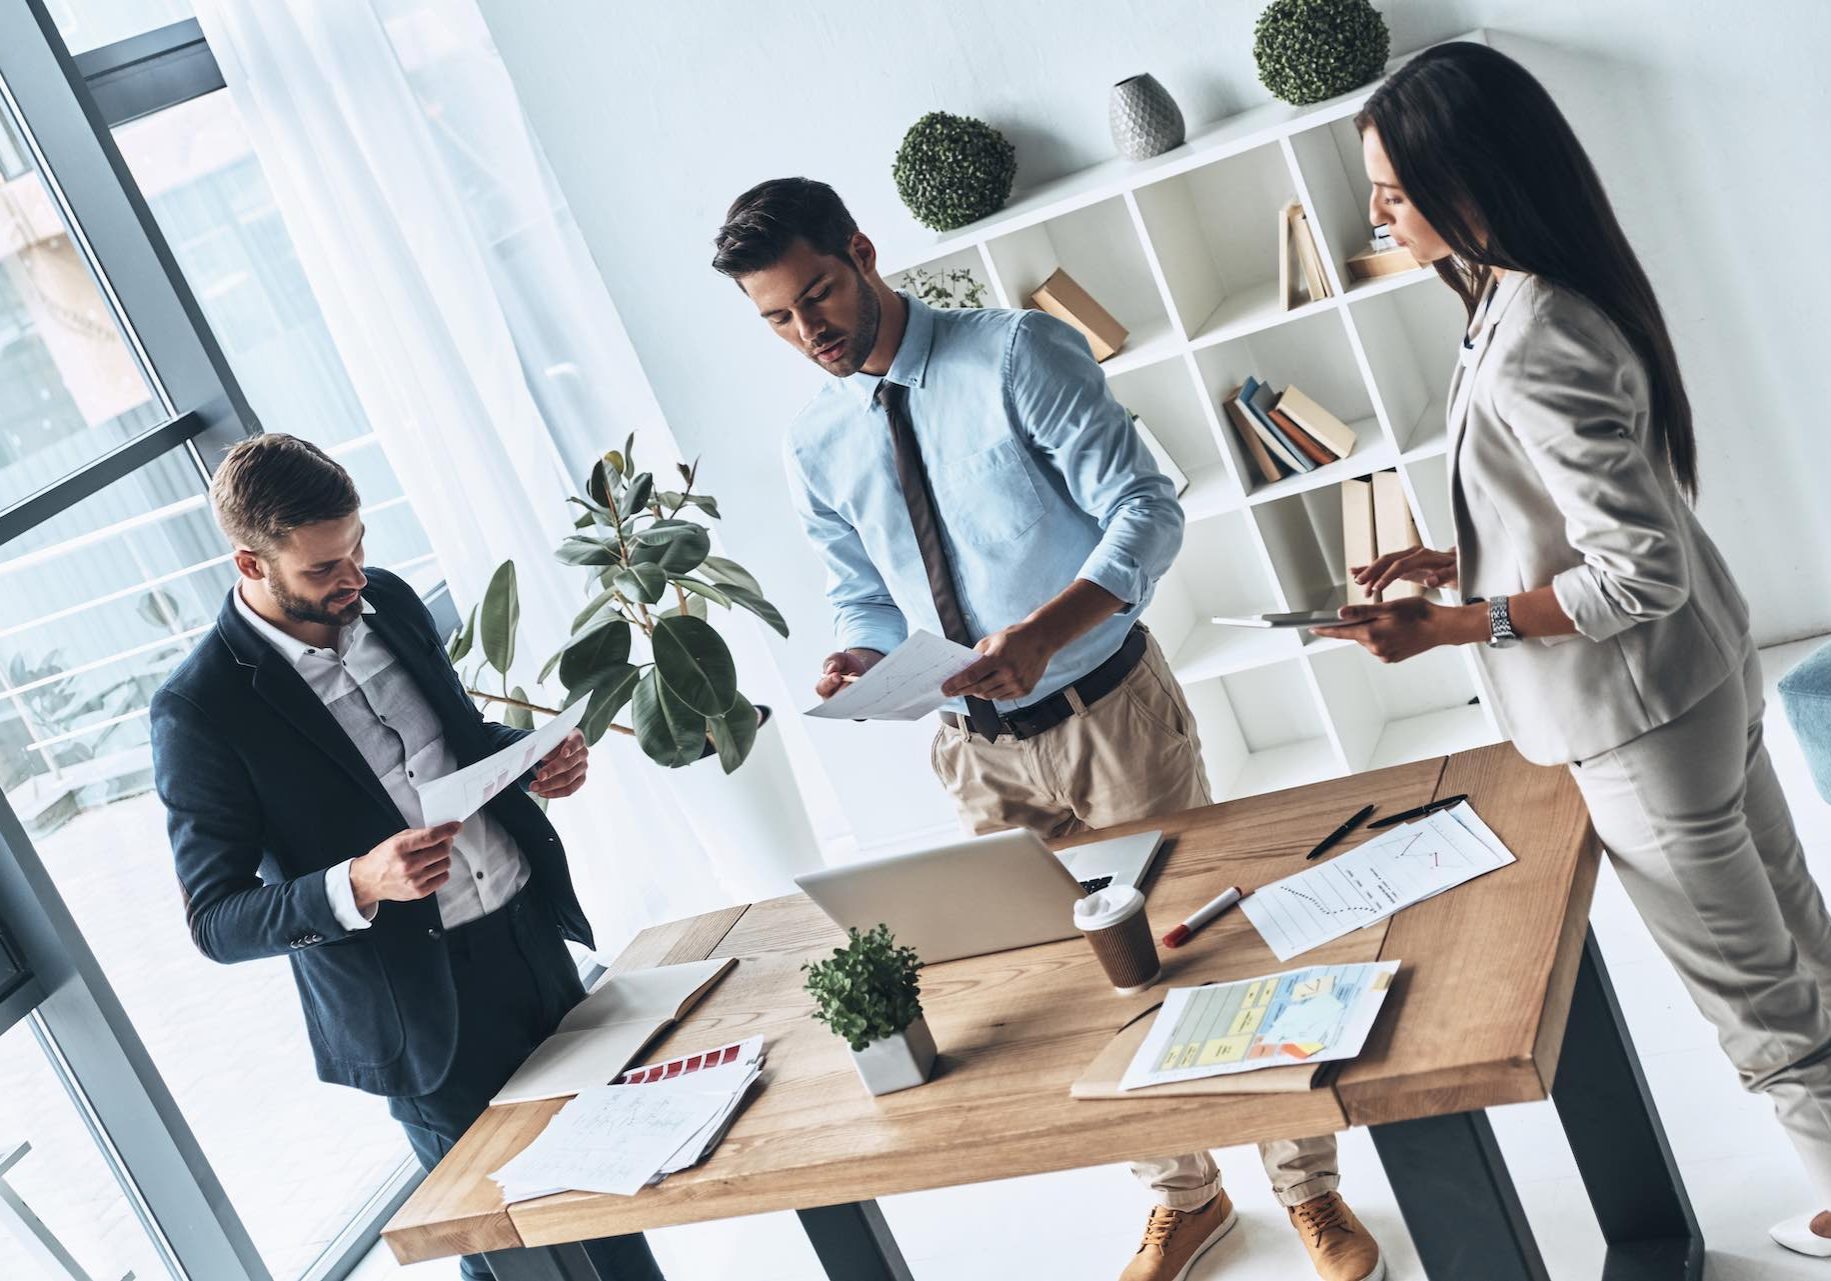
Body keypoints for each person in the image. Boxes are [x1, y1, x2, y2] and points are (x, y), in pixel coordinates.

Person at [713, 178, 1385, 1281]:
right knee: (1072, 977)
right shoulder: (814, 441)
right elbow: (866, 593)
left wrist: (1041, 629)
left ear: (861, 250)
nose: (809, 332)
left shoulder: (1017, 353)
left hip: (1106, 709)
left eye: (819, 294)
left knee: (1199, 948)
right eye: (778, 320)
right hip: (971, 748)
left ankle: (1308, 1188)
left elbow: (1145, 509)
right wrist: (861, 655)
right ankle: (1186, 1195)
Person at [1312, 41, 1831, 1261]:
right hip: (1696, 682)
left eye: (1391, 190)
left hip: (1641, 718)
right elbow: (1565, 506)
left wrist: (1458, 624)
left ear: (1471, 181)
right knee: (1793, 928)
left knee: (1752, 994)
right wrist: (1456, 561)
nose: (1373, 212)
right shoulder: (1516, 291)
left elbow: (1631, 569)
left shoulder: (1534, 324)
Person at [150, 434, 664, 1281]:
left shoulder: (384, 601)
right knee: (515, 1251)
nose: (353, 577)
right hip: (423, 1011)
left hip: (530, 944)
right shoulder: (201, 710)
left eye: (358, 546)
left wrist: (529, 759)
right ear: (250, 561)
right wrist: (357, 882)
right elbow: (216, 919)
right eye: (324, 569)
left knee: (610, 1205)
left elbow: (456, 744)